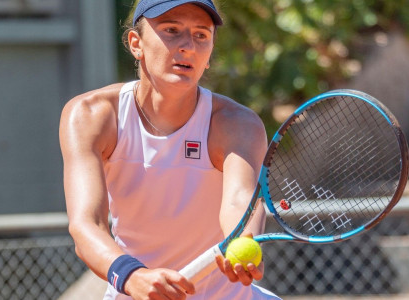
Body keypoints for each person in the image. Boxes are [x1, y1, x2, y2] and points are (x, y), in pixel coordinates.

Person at [59, 0, 281, 299]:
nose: (188, 45)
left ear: (210, 53)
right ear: (136, 44)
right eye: (171, 30)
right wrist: (132, 276)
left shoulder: (237, 124)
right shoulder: (91, 115)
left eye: (201, 35)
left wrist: (241, 240)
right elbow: (87, 225)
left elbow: (241, 200)